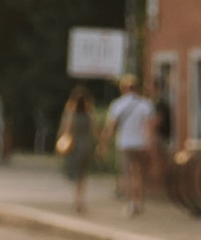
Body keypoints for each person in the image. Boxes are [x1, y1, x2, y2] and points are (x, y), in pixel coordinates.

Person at [104, 75, 154, 215]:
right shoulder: (145, 104)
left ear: (122, 88)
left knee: (128, 174)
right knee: (139, 173)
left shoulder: (117, 104)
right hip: (141, 144)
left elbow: (111, 126)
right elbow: (148, 127)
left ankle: (132, 202)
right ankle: (139, 201)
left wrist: (104, 143)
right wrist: (149, 143)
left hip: (125, 143)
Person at [56, 83, 100, 212]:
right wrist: (100, 145)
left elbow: (66, 130)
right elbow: (95, 130)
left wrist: (60, 143)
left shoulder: (71, 113)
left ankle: (77, 200)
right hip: (85, 145)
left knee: (74, 173)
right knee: (82, 174)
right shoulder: (89, 113)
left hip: (74, 146)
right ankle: (80, 200)